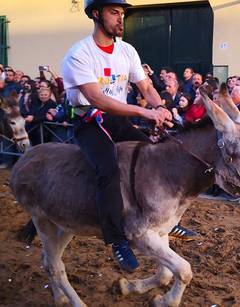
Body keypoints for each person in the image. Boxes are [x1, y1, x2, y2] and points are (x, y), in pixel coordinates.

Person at [61, 0, 194, 273]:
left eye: (122, 13)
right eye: (114, 13)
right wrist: (143, 113)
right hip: (89, 122)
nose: (121, 19)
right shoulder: (79, 54)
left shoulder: (127, 50)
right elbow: (98, 99)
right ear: (96, 14)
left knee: (157, 154)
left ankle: (168, 221)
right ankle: (117, 238)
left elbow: (145, 86)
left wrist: (159, 108)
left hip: (117, 119)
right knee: (108, 169)